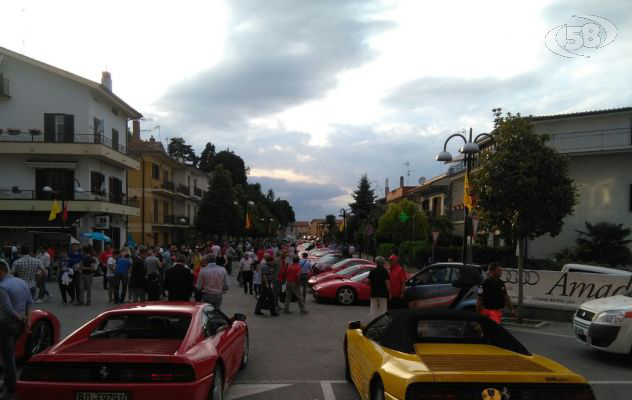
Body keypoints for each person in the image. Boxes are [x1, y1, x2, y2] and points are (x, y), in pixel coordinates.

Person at [0, 259, 33, 399]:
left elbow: (8, 309)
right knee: (9, 353)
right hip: (19, 326)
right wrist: (27, 321)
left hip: (6, 325)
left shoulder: (2, 286)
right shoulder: (21, 282)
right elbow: (29, 303)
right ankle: (7, 381)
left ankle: (11, 389)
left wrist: (22, 319)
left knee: (8, 358)